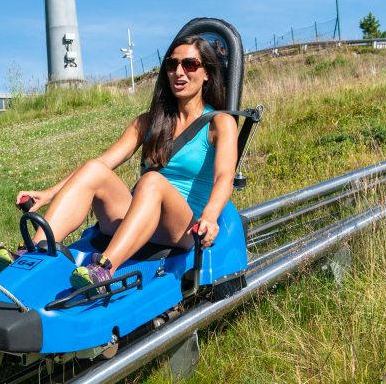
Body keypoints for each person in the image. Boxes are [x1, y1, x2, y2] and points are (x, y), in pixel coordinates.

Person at [15, 34, 240, 287]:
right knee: (93, 168)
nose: (179, 72)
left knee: (151, 181)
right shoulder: (148, 122)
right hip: (141, 217)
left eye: (189, 65)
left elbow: (224, 177)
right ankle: (35, 252)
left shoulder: (219, 123)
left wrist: (209, 216)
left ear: (207, 73)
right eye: (171, 64)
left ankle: (104, 267)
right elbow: (104, 163)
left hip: (182, 228)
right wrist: (49, 194)